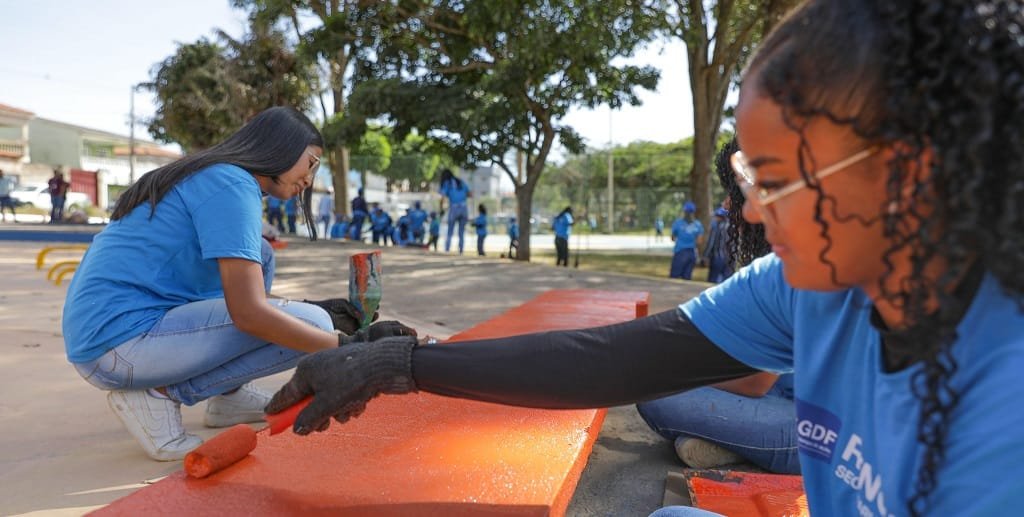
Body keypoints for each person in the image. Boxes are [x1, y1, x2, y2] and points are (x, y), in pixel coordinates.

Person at [266, 2, 1024, 515]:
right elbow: (613, 360)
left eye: (780, 178)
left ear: (909, 172)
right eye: (747, 179)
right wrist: (403, 364)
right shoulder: (809, 289)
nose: (753, 210)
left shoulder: (1005, 409)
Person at [61, 107, 414, 461]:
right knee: (313, 326)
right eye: (310, 163)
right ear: (282, 147)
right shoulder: (232, 184)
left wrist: (311, 306)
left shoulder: (216, 177)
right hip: (119, 347)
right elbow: (247, 314)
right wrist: (346, 346)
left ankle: (228, 396)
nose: (309, 179)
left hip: (113, 337)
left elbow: (243, 297)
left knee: (261, 256)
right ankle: (160, 396)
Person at [637, 138, 797, 475]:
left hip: (824, 434)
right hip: (795, 394)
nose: (727, 203)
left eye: (736, 189)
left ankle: (741, 443)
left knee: (657, 393)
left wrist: (683, 375)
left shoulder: (791, 264)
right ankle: (732, 439)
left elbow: (755, 383)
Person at [669, 201, 704, 280]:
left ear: (684, 211)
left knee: (674, 277)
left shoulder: (678, 223)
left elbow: (673, 238)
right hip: (692, 252)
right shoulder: (698, 224)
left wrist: (681, 238)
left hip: (680, 251)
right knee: (687, 278)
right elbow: (699, 241)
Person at [439, 168, 470, 254]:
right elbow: (470, 193)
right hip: (464, 208)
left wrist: (441, 208)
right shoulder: (460, 181)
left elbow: (442, 197)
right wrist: (461, 197)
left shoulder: (447, 183)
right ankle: (461, 250)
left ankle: (447, 249)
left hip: (454, 208)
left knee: (450, 230)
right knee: (461, 231)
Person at [702, 207, 733, 284]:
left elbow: (711, 243)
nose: (715, 218)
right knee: (727, 282)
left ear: (721, 217)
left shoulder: (716, 228)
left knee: (712, 281)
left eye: (716, 216)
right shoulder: (732, 227)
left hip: (718, 258)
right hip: (730, 259)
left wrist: (705, 256)